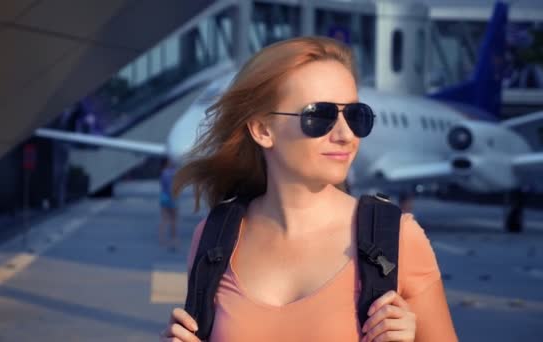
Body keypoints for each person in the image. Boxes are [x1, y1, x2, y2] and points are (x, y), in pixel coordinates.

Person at [160, 36, 457, 341]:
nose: (345, 135)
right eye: (319, 116)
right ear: (263, 130)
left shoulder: (398, 238)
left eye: (356, 116)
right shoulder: (214, 238)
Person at [158, 157, 179, 252]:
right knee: (174, 220)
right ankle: (174, 239)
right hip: (172, 197)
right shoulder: (173, 172)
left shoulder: (163, 172)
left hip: (163, 197)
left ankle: (161, 238)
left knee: (164, 219)